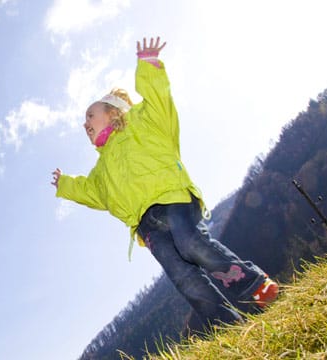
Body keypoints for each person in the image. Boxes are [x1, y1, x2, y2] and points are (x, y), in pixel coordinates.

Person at [51, 36, 278, 328]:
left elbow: (159, 97)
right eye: (84, 123)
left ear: (114, 111)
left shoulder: (144, 121)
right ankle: (225, 324)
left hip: (172, 200)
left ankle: (253, 286)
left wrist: (149, 66)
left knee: (192, 243)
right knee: (183, 277)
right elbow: (90, 191)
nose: (86, 124)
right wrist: (65, 185)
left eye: (90, 116)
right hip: (147, 226)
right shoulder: (101, 169)